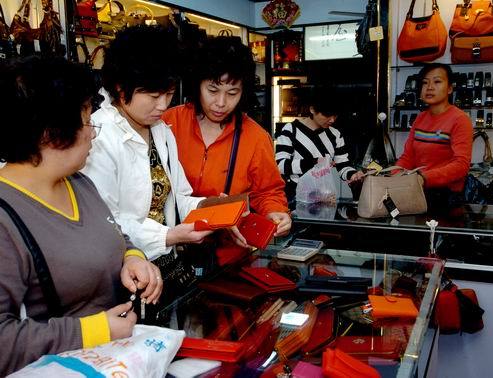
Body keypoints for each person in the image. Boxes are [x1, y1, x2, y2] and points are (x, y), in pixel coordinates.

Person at [0, 56, 162, 375]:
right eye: (88, 121)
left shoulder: (79, 183)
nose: (93, 134)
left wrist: (132, 258)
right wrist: (92, 331)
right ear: (51, 133)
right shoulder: (6, 218)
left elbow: (117, 237)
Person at [82, 26, 215, 269]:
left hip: (165, 266)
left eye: (170, 94)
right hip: (125, 271)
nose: (163, 105)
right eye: (154, 96)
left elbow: (179, 197)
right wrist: (169, 236)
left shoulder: (160, 131)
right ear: (121, 89)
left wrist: (210, 208)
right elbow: (105, 222)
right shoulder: (98, 136)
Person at [162, 36, 291, 244]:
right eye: (212, 90)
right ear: (197, 84)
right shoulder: (168, 123)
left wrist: (276, 212)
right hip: (170, 243)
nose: (221, 103)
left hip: (227, 248)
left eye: (232, 93)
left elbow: (268, 191)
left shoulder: (256, 137)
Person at [396, 63, 473, 208]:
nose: (429, 87)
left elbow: (461, 165)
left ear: (450, 88)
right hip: (417, 191)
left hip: (446, 198)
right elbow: (408, 157)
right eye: (425, 83)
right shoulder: (420, 118)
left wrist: (424, 178)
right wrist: (394, 175)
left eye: (437, 81)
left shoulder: (460, 119)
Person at [275, 87, 364, 205]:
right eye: (327, 114)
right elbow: (280, 165)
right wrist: (313, 162)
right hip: (295, 198)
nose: (332, 120)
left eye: (335, 115)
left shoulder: (335, 134)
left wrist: (353, 174)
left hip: (326, 198)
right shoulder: (291, 130)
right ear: (312, 109)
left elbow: (343, 165)